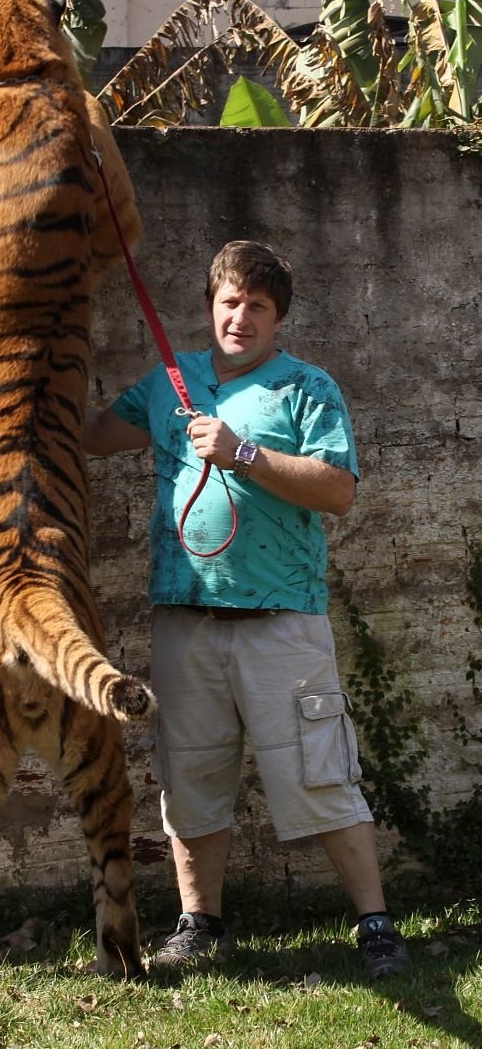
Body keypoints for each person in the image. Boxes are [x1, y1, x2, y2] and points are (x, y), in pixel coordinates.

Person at [84, 240, 410, 980]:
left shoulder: (305, 388)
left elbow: (338, 489)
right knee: (189, 779)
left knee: (320, 772)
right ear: (210, 308)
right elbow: (95, 437)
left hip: (281, 621)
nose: (240, 316)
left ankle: (376, 923)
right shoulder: (173, 383)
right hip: (185, 621)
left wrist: (244, 456)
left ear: (277, 318)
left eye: (256, 306)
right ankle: (201, 924)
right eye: (229, 301)